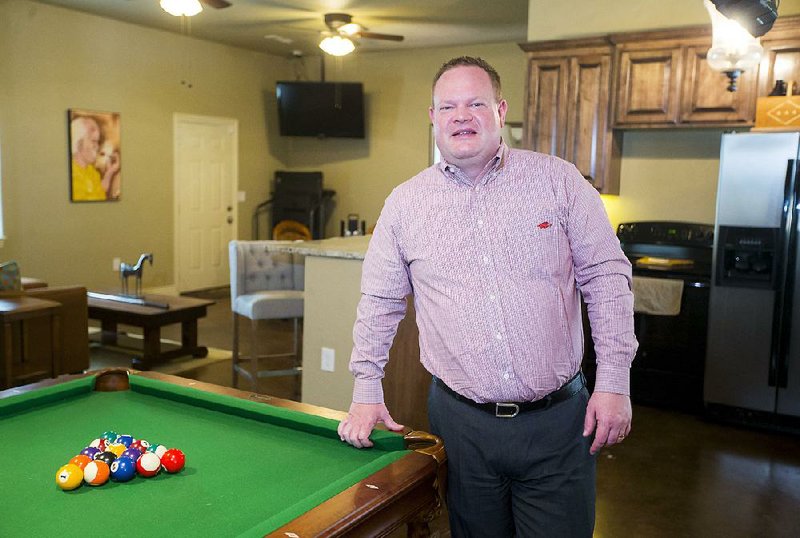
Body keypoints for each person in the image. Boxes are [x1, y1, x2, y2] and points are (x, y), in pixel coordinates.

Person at [337, 56, 637, 537]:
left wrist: (615, 382)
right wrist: (366, 389)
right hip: (461, 428)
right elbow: (379, 301)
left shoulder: (560, 182)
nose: (462, 115)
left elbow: (606, 279)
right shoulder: (404, 204)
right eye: (448, 105)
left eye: (475, 102)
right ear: (433, 117)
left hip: (559, 425)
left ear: (500, 111)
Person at [70, 116, 120, 201]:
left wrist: (109, 172)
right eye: (93, 141)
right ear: (79, 143)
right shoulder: (72, 174)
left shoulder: (91, 171)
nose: (97, 147)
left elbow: (100, 192)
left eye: (98, 142)